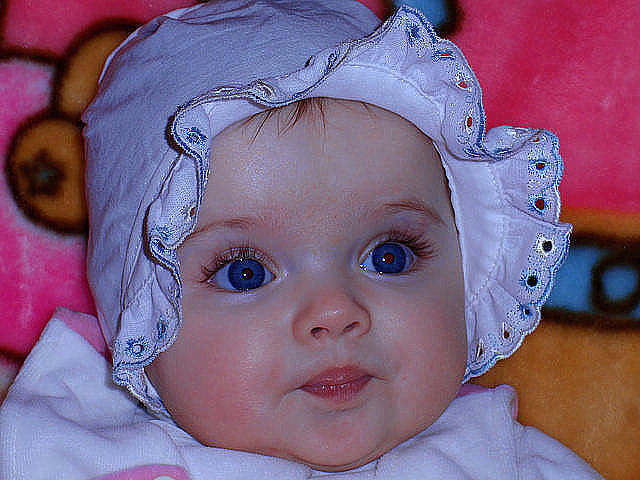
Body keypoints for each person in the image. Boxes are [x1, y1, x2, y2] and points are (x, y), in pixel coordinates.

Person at [0, 1, 603, 478]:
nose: (336, 312)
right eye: (246, 273)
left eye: (390, 257)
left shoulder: (502, 462)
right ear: (139, 320)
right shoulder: (54, 452)